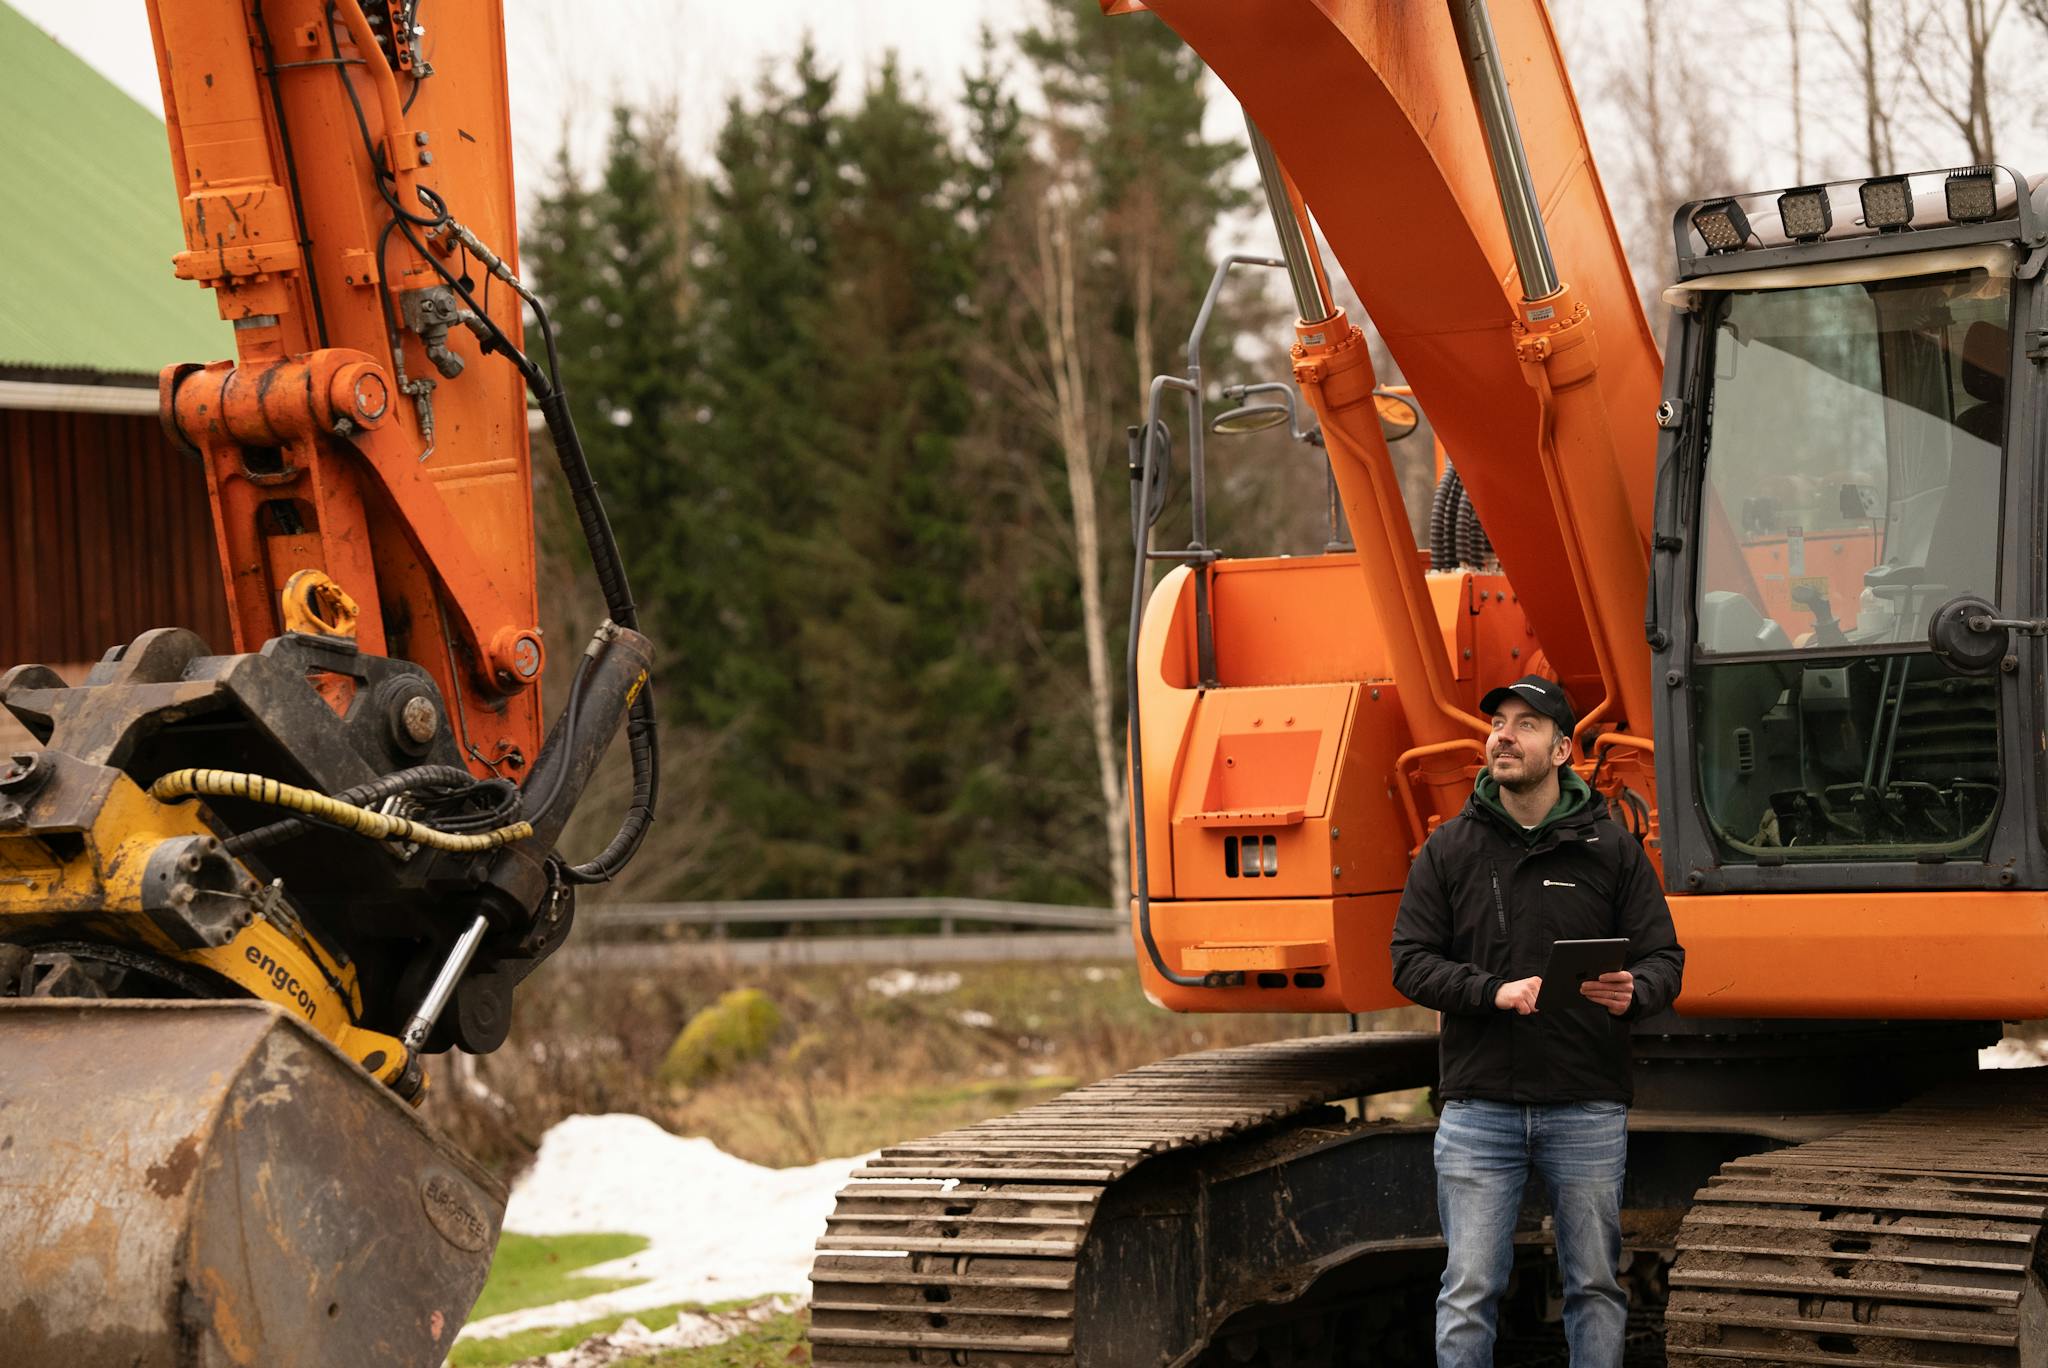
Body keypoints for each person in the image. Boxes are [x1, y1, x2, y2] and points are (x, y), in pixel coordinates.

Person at [1389, 674, 1684, 1368]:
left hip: (1585, 1104)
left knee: (1595, 1285)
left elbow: (1665, 957)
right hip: (1478, 1109)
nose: (1502, 735)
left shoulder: (1611, 850)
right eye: (1497, 723)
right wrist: (1488, 991)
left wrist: (1635, 989)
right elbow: (1407, 961)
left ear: (1561, 749)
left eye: (1525, 724)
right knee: (1468, 1289)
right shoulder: (1450, 850)